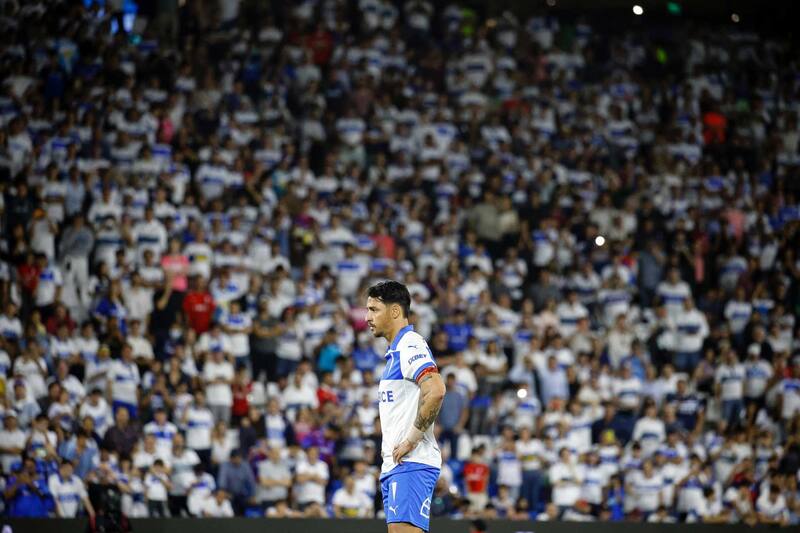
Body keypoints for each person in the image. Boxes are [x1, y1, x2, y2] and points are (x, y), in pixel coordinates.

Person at [365, 280, 445, 533]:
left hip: (411, 463)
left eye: (374, 310)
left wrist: (411, 439)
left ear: (395, 311)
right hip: (396, 466)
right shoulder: (395, 351)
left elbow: (436, 391)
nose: (367, 317)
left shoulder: (410, 344)